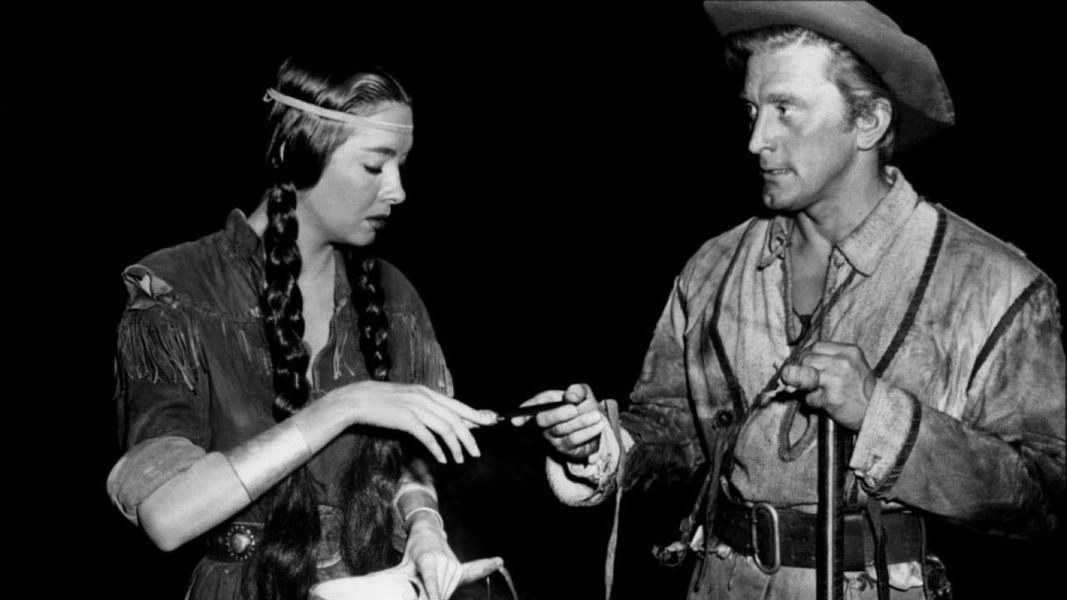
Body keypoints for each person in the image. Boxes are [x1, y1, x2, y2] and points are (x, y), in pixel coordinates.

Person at [517, 2, 1066, 599]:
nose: (756, 140)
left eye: (786, 109)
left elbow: (1043, 496)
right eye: (753, 111)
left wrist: (881, 415)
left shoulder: (992, 285)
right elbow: (677, 425)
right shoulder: (715, 266)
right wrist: (605, 445)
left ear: (869, 122)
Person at [106, 55, 499, 600]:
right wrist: (345, 405)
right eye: (374, 166)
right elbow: (167, 516)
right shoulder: (180, 290)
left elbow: (411, 464)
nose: (398, 190)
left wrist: (424, 527)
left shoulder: (393, 296)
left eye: (402, 165)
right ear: (298, 153)